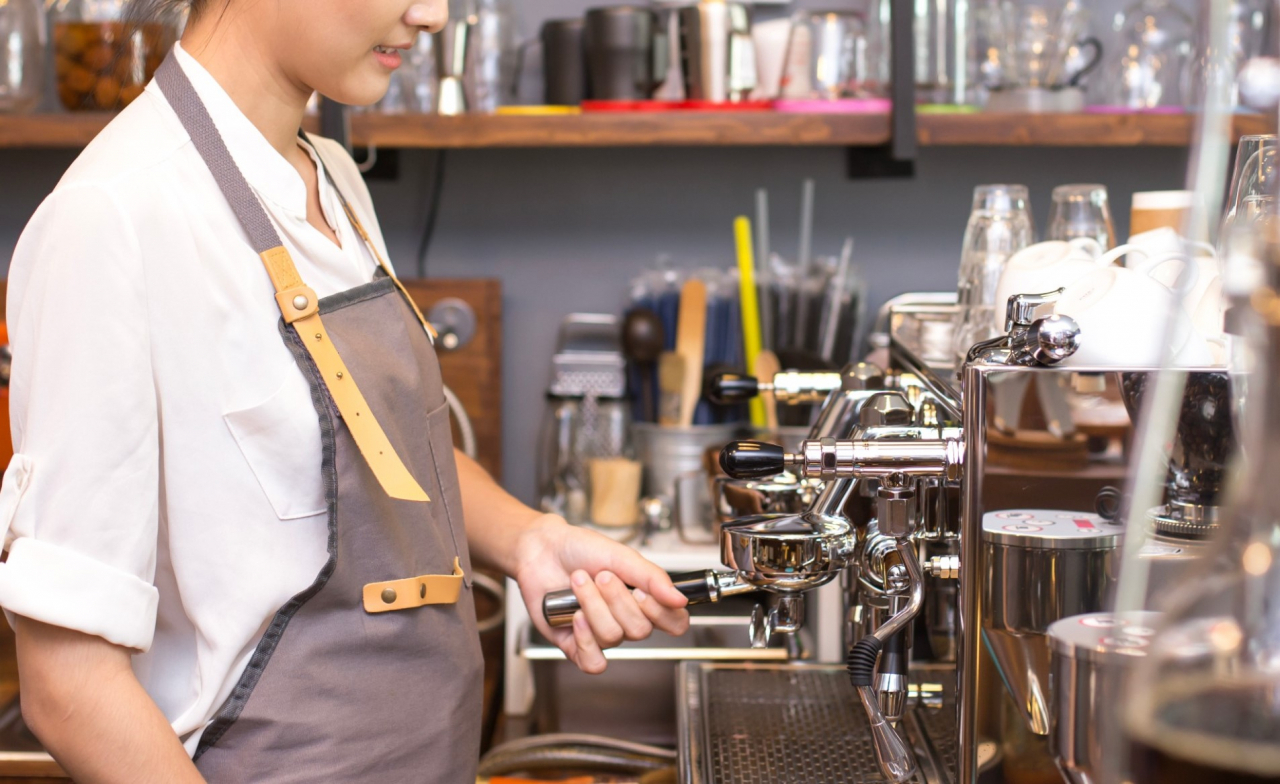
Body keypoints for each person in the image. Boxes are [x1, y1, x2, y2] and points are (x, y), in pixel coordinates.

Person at [0, 1, 690, 781]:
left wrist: (527, 537)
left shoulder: (329, 177)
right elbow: (67, 687)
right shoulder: (110, 220)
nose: (431, 14)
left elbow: (374, 455)